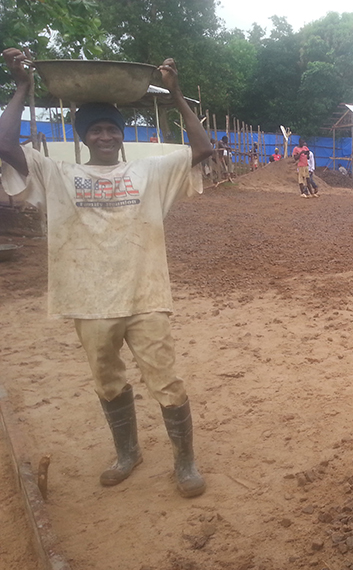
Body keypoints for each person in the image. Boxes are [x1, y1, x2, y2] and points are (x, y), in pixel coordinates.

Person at [0, 48, 214, 498]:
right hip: (88, 300)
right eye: (95, 129)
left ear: (121, 135)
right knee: (107, 380)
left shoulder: (149, 172)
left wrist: (175, 93)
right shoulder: (57, 175)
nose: (103, 135)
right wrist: (22, 86)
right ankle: (128, 452)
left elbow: (203, 149)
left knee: (167, 381)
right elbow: (3, 145)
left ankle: (185, 461)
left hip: (145, 295)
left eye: (110, 128)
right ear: (84, 136)